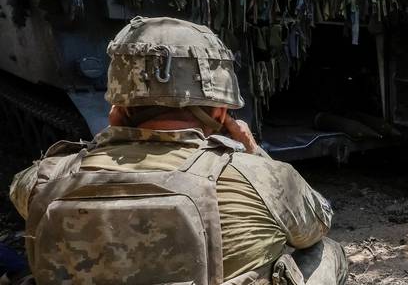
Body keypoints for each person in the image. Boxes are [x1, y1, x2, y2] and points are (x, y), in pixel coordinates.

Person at [10, 17, 348, 284]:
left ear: (116, 110)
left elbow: (25, 191)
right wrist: (253, 151)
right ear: (219, 113)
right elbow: (317, 224)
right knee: (326, 251)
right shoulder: (261, 178)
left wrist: (108, 145)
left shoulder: (43, 179)